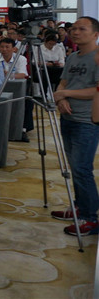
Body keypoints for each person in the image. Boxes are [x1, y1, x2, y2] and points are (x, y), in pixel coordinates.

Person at [51, 17, 99, 236]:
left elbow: (95, 91)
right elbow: (63, 82)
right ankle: (80, 206)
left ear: (95, 34)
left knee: (82, 168)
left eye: (82, 29)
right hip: (68, 118)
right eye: (74, 28)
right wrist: (61, 98)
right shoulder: (72, 57)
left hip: (87, 121)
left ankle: (90, 217)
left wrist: (65, 93)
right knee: (74, 166)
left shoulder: (96, 57)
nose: (75, 32)